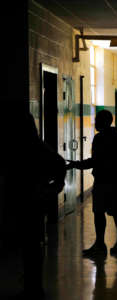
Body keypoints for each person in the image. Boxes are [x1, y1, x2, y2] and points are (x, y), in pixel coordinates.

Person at [3, 109, 66, 298]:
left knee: (30, 247)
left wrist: (49, 190)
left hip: (28, 205)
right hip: (32, 204)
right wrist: (51, 190)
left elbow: (59, 166)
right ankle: (32, 285)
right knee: (30, 247)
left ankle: (33, 287)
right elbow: (59, 166)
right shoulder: (36, 147)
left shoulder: (24, 149)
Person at [67, 109, 117, 256]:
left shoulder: (100, 139)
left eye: (97, 120)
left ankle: (101, 245)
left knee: (99, 212)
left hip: (103, 181)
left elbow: (95, 162)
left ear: (104, 121)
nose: (95, 122)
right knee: (116, 212)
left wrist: (75, 164)